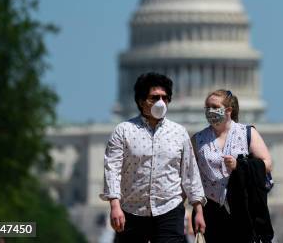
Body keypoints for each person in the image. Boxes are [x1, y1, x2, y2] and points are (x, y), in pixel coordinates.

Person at [100, 72, 207, 243]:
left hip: (169, 209)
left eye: (165, 98)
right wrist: (114, 205)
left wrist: (198, 210)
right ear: (141, 101)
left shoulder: (179, 133)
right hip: (131, 210)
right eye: (154, 97)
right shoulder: (124, 131)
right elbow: (112, 169)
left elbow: (190, 173)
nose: (161, 102)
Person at [192, 89, 273, 242]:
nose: (210, 111)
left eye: (215, 107)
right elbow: (190, 176)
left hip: (243, 208)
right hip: (211, 209)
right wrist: (197, 210)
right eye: (207, 107)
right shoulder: (198, 139)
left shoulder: (247, 133)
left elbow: (267, 164)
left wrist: (240, 165)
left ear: (228, 110)